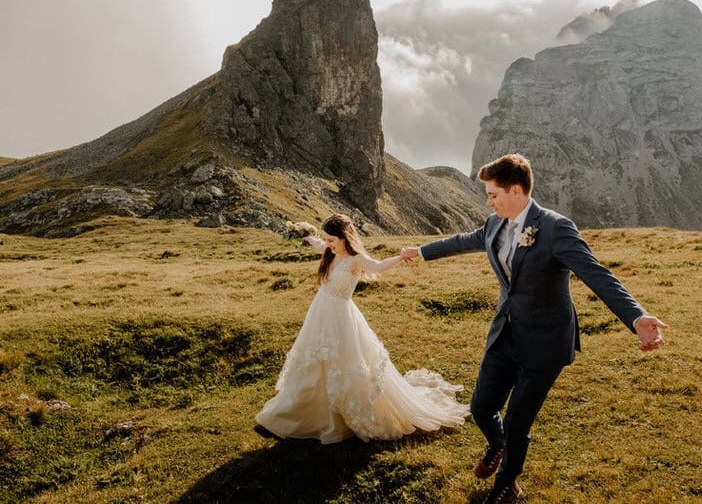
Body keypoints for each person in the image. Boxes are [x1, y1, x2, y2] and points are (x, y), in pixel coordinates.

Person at [401, 154, 668, 504]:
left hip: (544, 344)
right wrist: (421, 251)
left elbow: (596, 274)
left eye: (493, 194)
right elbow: (463, 240)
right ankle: (498, 445)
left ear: (515, 190)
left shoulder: (556, 228)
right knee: (481, 407)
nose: (488, 200)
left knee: (517, 422)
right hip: (505, 334)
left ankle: (506, 484)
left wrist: (636, 317)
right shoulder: (495, 224)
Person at [254, 213, 469, 444]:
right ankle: (289, 417)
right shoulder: (328, 251)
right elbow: (317, 244)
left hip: (342, 318)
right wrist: (307, 235)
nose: (328, 244)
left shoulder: (355, 259)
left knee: (344, 365)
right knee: (312, 364)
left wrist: (400, 257)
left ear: (344, 238)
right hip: (319, 316)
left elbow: (377, 266)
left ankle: (340, 417)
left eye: (332, 240)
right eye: (326, 240)